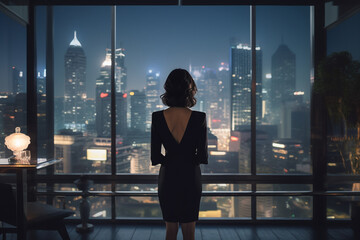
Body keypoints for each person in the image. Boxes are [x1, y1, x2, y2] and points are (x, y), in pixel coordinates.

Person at [151, 68, 208, 240]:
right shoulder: (200, 117)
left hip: (168, 177)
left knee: (170, 230)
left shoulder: (157, 117)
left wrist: (171, 159)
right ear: (189, 89)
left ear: (168, 89)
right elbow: (202, 156)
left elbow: (155, 156)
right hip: (190, 176)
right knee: (189, 232)